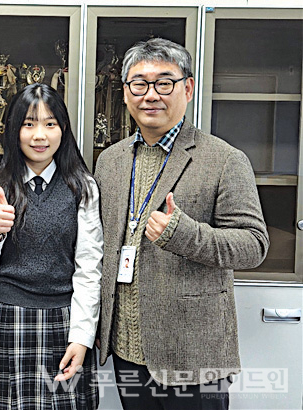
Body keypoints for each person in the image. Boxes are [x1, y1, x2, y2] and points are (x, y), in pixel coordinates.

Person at [94, 38, 269, 409]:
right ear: (125, 92)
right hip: (126, 348)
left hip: (193, 354)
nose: (150, 95)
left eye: (164, 83)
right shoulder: (109, 161)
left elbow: (254, 245)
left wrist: (185, 235)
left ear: (187, 88)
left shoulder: (224, 159)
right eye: (139, 84)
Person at [0, 83, 103, 410]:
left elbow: (89, 268)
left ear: (63, 129)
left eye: (49, 124)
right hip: (5, 320)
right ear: (14, 130)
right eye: (28, 124)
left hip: (64, 320)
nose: (39, 135)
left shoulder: (82, 187)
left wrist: (82, 337)